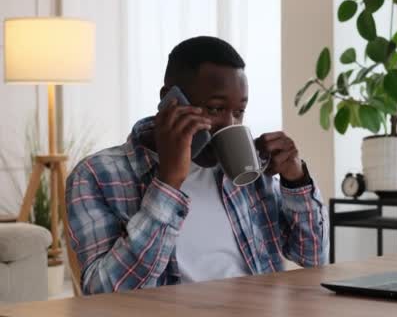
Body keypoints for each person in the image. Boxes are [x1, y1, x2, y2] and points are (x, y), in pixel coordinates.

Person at [65, 36, 328, 295]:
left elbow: (313, 258)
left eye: (239, 111)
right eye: (214, 109)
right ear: (170, 100)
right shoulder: (96, 175)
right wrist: (168, 184)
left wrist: (296, 181)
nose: (230, 125)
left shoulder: (249, 169)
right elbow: (106, 292)